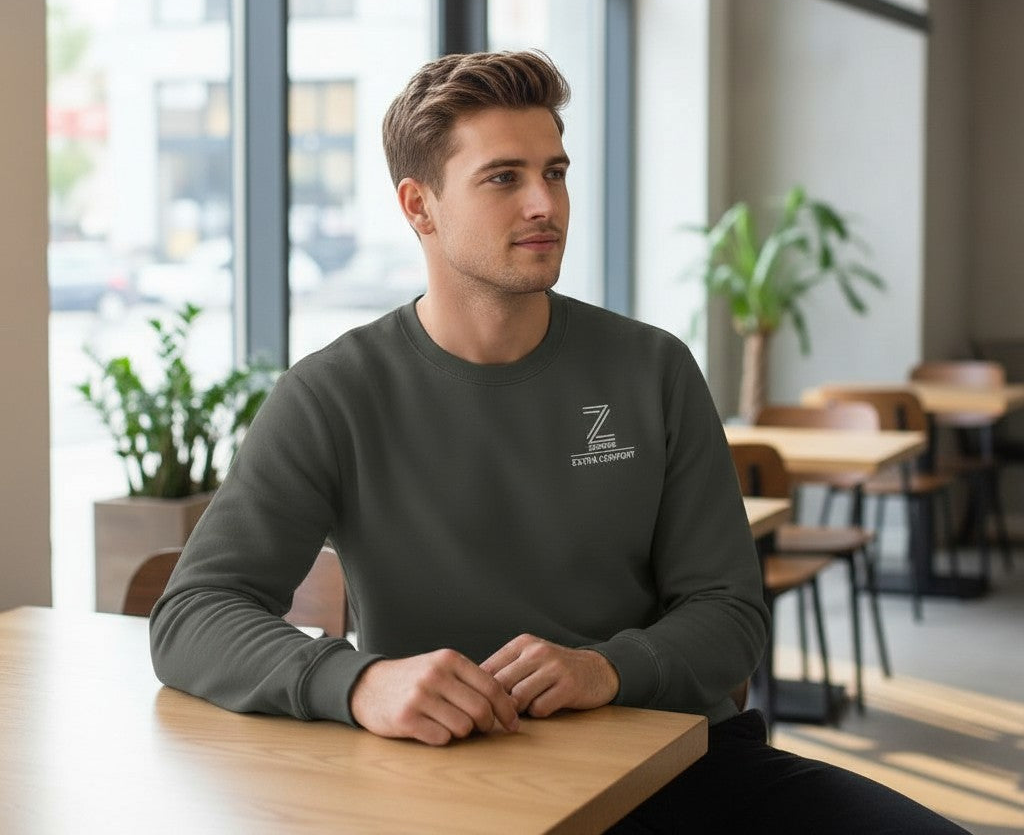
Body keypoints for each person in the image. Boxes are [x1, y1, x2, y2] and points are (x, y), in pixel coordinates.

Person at [151, 50, 969, 834]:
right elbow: (191, 614)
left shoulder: (652, 368)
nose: (544, 203)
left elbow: (730, 614)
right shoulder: (334, 393)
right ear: (418, 207)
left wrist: (606, 668)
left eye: (555, 172)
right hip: (464, 787)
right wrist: (356, 681)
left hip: (685, 765)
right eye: (504, 178)